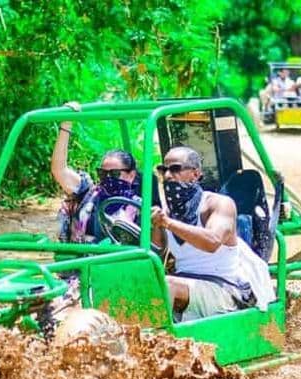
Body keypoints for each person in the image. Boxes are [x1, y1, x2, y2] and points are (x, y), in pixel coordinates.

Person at [150, 146, 276, 322]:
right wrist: (155, 225)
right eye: (163, 170)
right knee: (143, 284)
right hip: (188, 285)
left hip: (224, 288)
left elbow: (212, 242)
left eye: (175, 169)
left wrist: (169, 223)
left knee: (166, 286)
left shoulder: (218, 204)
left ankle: (153, 344)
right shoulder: (167, 211)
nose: (168, 176)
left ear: (196, 174)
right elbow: (157, 252)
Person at [52, 101, 142, 243]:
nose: (108, 178)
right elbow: (59, 170)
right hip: (81, 261)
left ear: (131, 175)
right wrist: (66, 124)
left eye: (115, 174)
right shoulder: (89, 194)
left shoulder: (139, 207)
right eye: (103, 173)